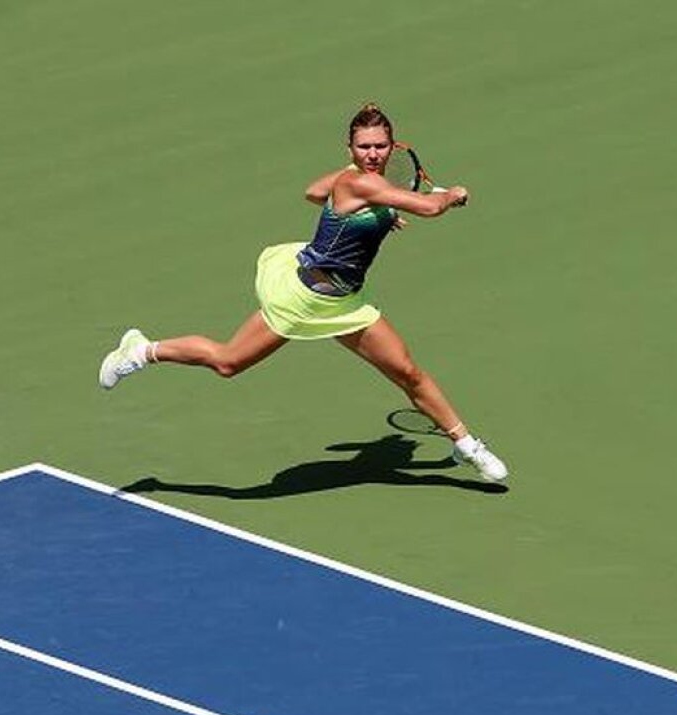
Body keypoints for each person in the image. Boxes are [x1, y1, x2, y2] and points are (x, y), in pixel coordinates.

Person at [98, 103, 507, 483]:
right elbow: (431, 208)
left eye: (381, 146)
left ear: (391, 145)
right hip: (300, 299)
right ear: (350, 147)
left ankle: (466, 445)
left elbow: (314, 192)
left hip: (344, 304)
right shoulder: (356, 182)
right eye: (364, 147)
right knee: (227, 363)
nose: (373, 154)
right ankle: (140, 350)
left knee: (407, 372)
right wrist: (453, 195)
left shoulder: (355, 182)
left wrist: (378, 218)